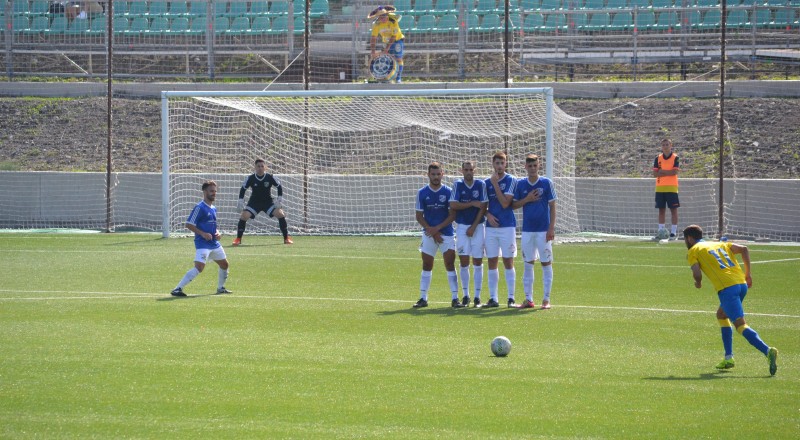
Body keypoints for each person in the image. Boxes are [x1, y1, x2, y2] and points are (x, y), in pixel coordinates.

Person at [683, 224, 778, 376]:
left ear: (689, 238)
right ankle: (728, 358)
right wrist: (748, 274)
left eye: (685, 240)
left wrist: (698, 283)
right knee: (721, 315)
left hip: (727, 289)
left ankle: (768, 351)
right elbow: (744, 249)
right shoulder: (718, 243)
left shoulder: (693, 251)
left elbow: (697, 274)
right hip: (741, 284)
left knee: (740, 325)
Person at [413, 162, 462, 308]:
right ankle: (423, 298)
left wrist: (438, 229)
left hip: (446, 234)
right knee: (427, 264)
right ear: (428, 175)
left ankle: (455, 298)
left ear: (442, 174)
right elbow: (419, 216)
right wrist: (432, 231)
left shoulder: (448, 192)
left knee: (450, 264)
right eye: (432, 174)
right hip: (429, 235)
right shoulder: (422, 193)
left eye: (438, 174)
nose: (435, 177)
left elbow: (452, 215)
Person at [171, 180, 232, 297]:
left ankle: (220, 288)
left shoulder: (213, 208)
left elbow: (214, 226)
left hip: (214, 243)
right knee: (199, 267)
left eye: (215, 191)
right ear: (204, 192)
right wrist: (203, 234)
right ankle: (177, 289)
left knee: (224, 264)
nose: (214, 193)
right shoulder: (199, 207)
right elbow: (188, 224)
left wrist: (217, 233)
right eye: (211, 191)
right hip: (202, 244)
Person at [512, 154, 556, 309]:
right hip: (528, 231)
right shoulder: (520, 184)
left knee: (546, 263)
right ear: (525, 167)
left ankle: (546, 299)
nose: (532, 168)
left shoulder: (546, 183)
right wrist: (527, 199)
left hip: (543, 230)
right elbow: (513, 205)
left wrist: (551, 227)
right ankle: (528, 299)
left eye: (535, 165)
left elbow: (552, 205)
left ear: (539, 166)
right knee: (528, 264)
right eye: (529, 166)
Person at [449, 160, 488, 307]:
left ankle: (477, 296)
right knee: (464, 261)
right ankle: (466, 295)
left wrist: (473, 226)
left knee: (478, 261)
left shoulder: (481, 185)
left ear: (474, 170)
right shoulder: (457, 185)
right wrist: (471, 203)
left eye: (471, 169)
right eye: (466, 170)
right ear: (461, 171)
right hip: (461, 227)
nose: (468, 172)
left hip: (478, 227)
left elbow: (483, 207)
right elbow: (453, 204)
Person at [482, 151, 518, 308]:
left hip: (507, 226)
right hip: (490, 228)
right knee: (492, 261)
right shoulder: (485, 183)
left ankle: (511, 298)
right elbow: (482, 205)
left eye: (502, 163)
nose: (499, 166)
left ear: (506, 164)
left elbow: (505, 204)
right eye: (497, 163)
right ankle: (493, 298)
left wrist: (495, 183)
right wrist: (487, 214)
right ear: (493, 164)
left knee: (508, 261)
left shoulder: (511, 180)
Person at [233, 159, 293, 246]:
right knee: (244, 216)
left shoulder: (270, 177)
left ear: (265, 167)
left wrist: (279, 199)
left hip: (268, 202)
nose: (260, 168)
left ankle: (286, 238)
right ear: (255, 167)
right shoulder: (250, 178)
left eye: (262, 166)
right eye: (258, 166)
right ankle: (238, 239)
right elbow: (243, 189)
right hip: (254, 203)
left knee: (281, 214)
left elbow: (279, 186)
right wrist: (240, 201)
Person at [368, 5, 406, 83]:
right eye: (381, 17)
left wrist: (387, 49)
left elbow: (394, 36)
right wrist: (373, 52)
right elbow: (373, 38)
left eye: (384, 16)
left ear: (387, 15)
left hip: (397, 40)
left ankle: (398, 78)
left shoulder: (393, 21)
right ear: (378, 17)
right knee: (388, 58)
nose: (383, 18)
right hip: (385, 41)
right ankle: (388, 78)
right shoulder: (376, 24)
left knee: (398, 58)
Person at [653, 138, 680, 240]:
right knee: (661, 210)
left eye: (667, 144)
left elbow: (675, 172)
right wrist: (667, 172)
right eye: (663, 145)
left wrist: (662, 171)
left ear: (671, 145)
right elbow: (655, 173)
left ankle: (673, 233)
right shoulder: (658, 158)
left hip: (672, 188)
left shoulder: (675, 157)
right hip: (660, 188)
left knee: (673, 210)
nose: (665, 146)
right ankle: (661, 231)